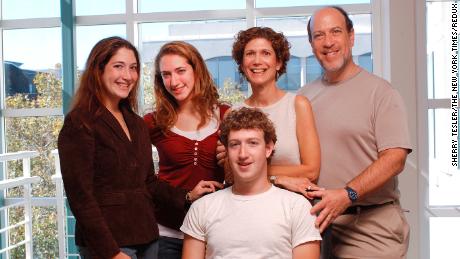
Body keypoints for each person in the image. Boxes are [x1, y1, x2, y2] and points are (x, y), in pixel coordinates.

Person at [58, 36, 221, 259]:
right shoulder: (80, 122)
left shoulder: (134, 122)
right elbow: (80, 197)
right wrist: (110, 252)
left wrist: (186, 196)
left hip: (147, 237)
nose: (127, 76)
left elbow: (148, 182)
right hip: (113, 244)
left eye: (133, 68)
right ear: (99, 69)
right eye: (118, 66)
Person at [297, 6, 412, 258]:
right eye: (319, 35)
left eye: (335, 32)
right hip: (316, 225)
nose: (328, 42)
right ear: (311, 43)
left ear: (351, 37)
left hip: (369, 227)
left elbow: (395, 158)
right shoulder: (304, 97)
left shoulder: (381, 93)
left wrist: (348, 194)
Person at [181, 107, 321, 259]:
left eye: (252, 143)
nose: (243, 154)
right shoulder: (202, 208)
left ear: (268, 148)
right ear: (227, 150)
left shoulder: (297, 207)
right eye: (235, 144)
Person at [143, 41, 229, 259]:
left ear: (196, 69)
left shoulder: (226, 115)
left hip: (215, 231)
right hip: (168, 232)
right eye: (166, 74)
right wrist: (186, 196)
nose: (174, 81)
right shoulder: (153, 121)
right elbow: (139, 176)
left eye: (180, 71)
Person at [220, 26, 320, 196]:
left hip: (292, 206)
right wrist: (279, 178)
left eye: (265, 53)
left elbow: (311, 171)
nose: (257, 61)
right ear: (242, 65)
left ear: (278, 63)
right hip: (247, 204)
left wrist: (257, 171)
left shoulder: (298, 105)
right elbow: (230, 175)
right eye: (250, 54)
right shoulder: (232, 113)